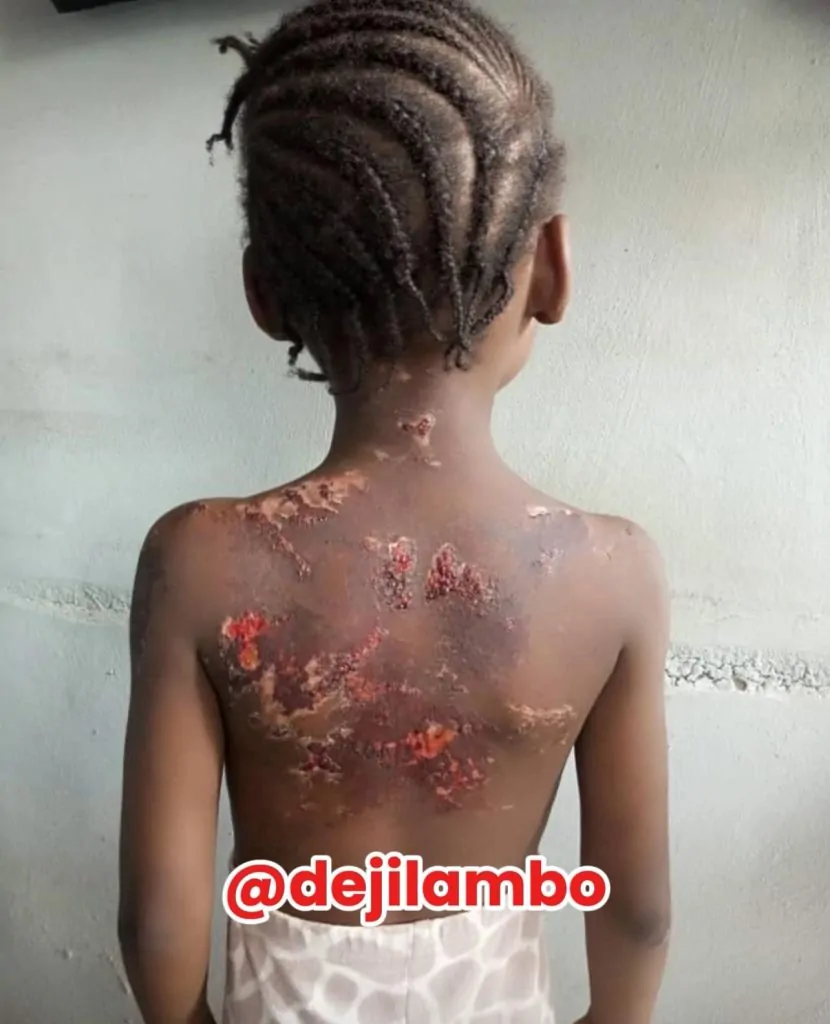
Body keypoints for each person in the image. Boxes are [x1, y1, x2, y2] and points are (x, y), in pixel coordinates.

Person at [117, 1, 671, 1022]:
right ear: (552, 268)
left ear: (264, 294)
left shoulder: (200, 560)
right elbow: (636, 914)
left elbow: (157, 920)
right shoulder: (612, 571)